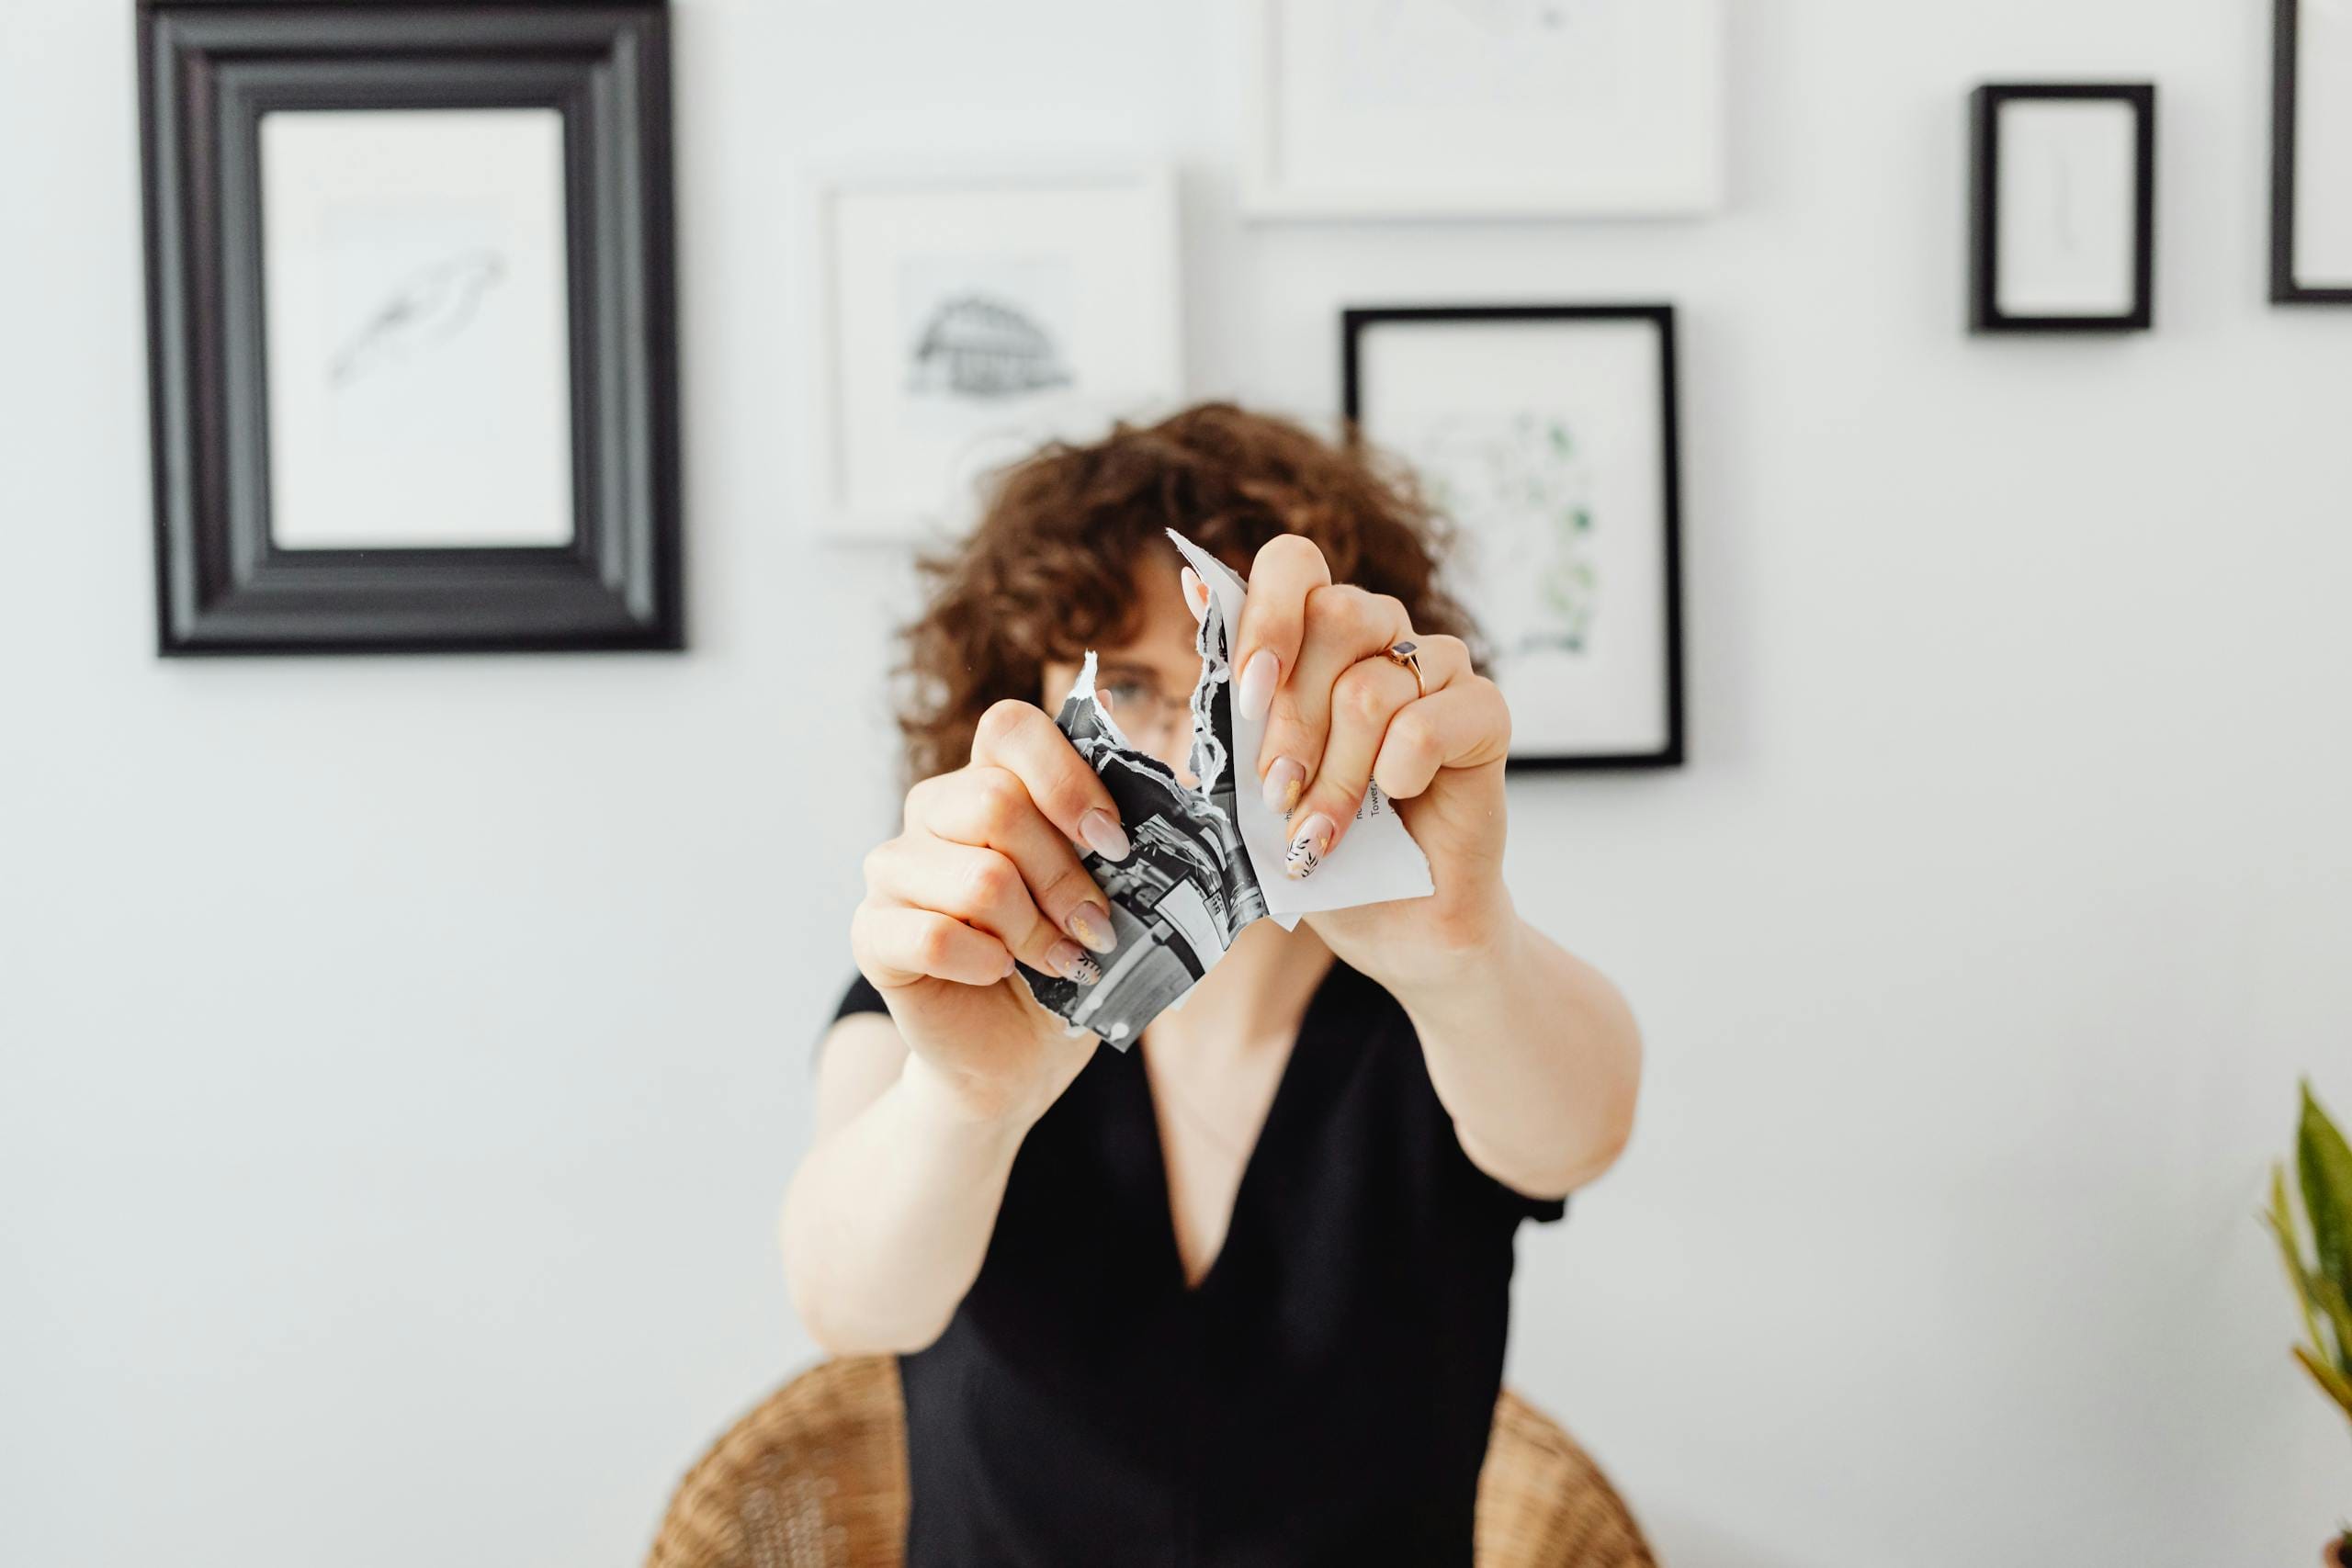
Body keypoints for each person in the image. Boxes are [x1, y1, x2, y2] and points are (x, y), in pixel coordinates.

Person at [781, 402, 1644, 1566]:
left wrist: (1459, 950)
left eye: (1229, 692)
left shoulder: (1432, 997)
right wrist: (969, 1102)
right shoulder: (966, 986)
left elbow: (1578, 1134)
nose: (1191, 760)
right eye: (1125, 688)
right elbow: (851, 1306)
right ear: (1033, 709)